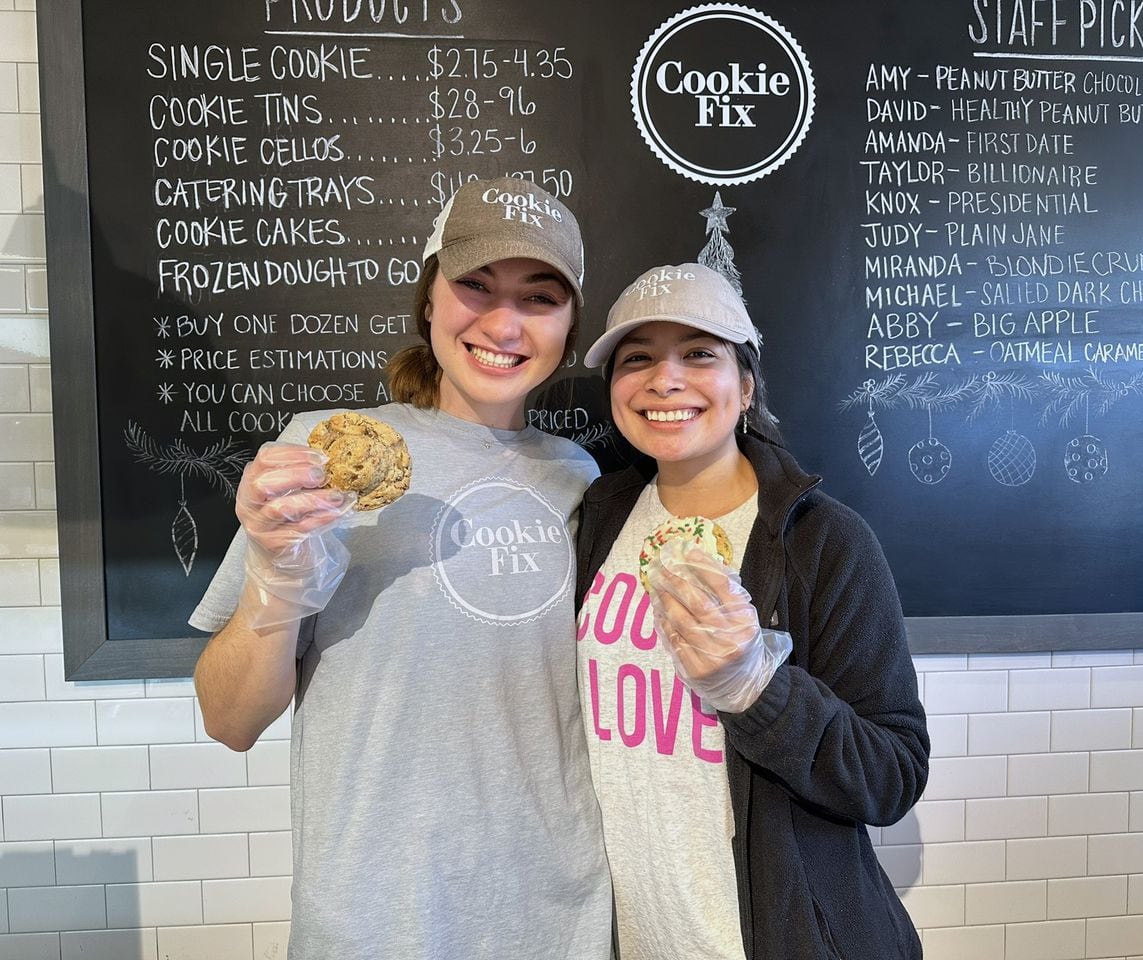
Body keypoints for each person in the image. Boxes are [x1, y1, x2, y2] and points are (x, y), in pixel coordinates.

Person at [190, 177, 612, 959]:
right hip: (373, 916)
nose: (503, 323)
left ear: (569, 324)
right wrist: (276, 583)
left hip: (558, 914)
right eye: (474, 286)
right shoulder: (318, 458)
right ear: (429, 301)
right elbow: (229, 721)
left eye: (539, 297)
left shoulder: (585, 479)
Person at [574, 263, 929, 960]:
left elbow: (892, 774)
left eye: (700, 353)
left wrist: (757, 688)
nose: (665, 379)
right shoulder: (598, 515)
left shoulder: (823, 541)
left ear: (745, 385)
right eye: (637, 357)